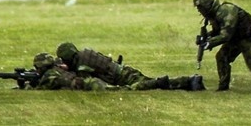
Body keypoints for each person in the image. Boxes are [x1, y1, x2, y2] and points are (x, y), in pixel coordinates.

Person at [56, 42, 204, 91]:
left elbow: (85, 82)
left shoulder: (81, 66)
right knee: (157, 85)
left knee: (143, 86)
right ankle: (189, 81)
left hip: (124, 77)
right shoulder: (85, 55)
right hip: (125, 71)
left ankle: (186, 81)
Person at [32, 52, 108, 91]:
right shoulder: (58, 67)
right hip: (90, 81)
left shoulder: (49, 75)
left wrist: (27, 85)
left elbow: (39, 89)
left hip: (88, 85)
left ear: (42, 67)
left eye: (37, 67)